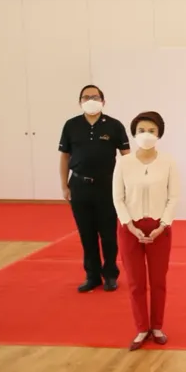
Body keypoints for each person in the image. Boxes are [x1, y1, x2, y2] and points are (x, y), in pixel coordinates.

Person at [113, 111, 179, 351]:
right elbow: (118, 198)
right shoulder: (124, 163)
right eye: (141, 130)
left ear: (159, 133)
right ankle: (142, 328)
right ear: (134, 133)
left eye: (151, 131)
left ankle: (157, 326)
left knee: (158, 280)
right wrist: (129, 225)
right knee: (136, 282)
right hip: (130, 228)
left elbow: (173, 197)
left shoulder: (168, 162)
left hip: (160, 228)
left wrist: (163, 225)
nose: (146, 135)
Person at [59, 84, 130, 293]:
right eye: (86, 97)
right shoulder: (71, 125)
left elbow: (127, 156)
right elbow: (64, 157)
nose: (90, 99)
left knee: (108, 234)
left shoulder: (114, 126)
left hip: (107, 186)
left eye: (95, 96)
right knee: (86, 234)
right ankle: (92, 275)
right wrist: (64, 185)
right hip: (79, 185)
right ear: (80, 101)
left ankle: (110, 274)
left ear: (103, 101)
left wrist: (128, 185)